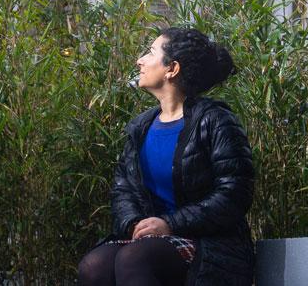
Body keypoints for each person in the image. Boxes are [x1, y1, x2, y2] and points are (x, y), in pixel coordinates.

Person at [77, 27, 256, 286]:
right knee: (94, 266)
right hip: (152, 242)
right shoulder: (140, 127)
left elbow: (234, 195)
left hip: (211, 246)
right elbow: (122, 189)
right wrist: (135, 225)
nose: (140, 60)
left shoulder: (216, 121)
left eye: (150, 53)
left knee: (133, 259)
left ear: (172, 69)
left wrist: (169, 224)